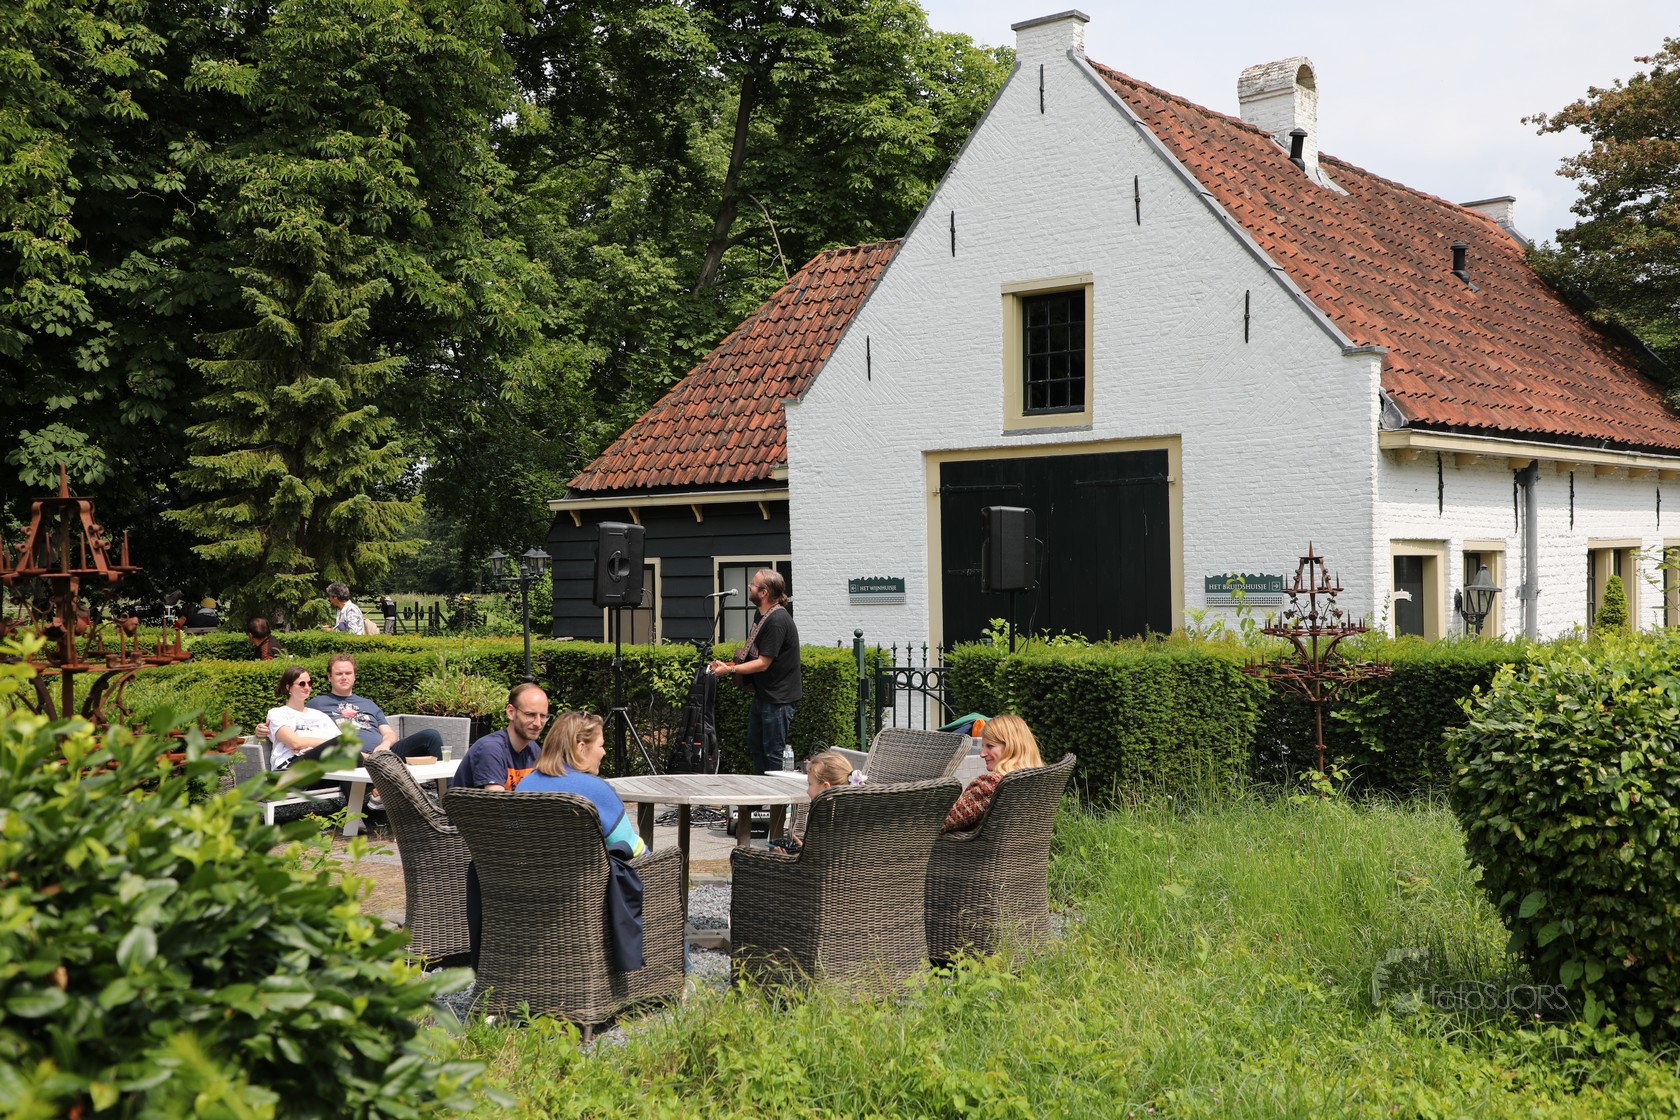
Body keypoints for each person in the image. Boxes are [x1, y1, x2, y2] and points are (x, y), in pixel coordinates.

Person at [307, 653, 444, 811]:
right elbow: (302, 729)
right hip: (349, 758)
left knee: (431, 736)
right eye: (339, 674)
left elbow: (390, 733)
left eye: (348, 673)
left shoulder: (368, 704)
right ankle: (375, 794)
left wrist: (385, 744)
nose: (344, 677)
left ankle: (449, 802)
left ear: (354, 676)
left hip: (383, 755)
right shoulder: (317, 704)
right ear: (329, 677)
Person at [707, 568, 801, 775]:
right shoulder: (762, 615)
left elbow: (763, 663)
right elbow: (754, 655)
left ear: (764, 592)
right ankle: (761, 792)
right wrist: (729, 665)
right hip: (764, 695)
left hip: (778, 699)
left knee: (773, 752)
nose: (749, 586)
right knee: (756, 746)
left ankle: (776, 795)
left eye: (753, 584)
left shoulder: (777, 621)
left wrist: (730, 670)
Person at [518, 711, 645, 857]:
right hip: (587, 872)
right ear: (581, 748)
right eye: (601, 745)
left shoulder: (524, 786)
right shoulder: (596, 789)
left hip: (529, 870)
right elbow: (630, 846)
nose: (604, 752)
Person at [942, 713, 1044, 832]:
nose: (982, 754)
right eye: (983, 747)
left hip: (976, 845)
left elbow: (942, 823)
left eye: (990, 746)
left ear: (1011, 746)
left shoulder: (991, 784)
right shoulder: (1040, 779)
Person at [449, 683, 549, 791]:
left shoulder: (533, 750)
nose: (538, 723)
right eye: (530, 715)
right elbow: (497, 800)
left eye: (543, 716)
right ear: (510, 712)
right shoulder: (490, 749)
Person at [768, 748, 859, 856]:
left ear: (826, 787)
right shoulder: (853, 815)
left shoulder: (821, 817)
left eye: (810, 784)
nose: (807, 790)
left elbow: (818, 862)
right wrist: (803, 850)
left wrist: (792, 858)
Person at [263, 665, 346, 770]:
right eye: (302, 684)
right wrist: (328, 743)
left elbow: (342, 744)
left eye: (309, 683)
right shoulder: (277, 713)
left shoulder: (320, 716)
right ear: (288, 687)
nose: (307, 687)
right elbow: (296, 743)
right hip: (290, 766)